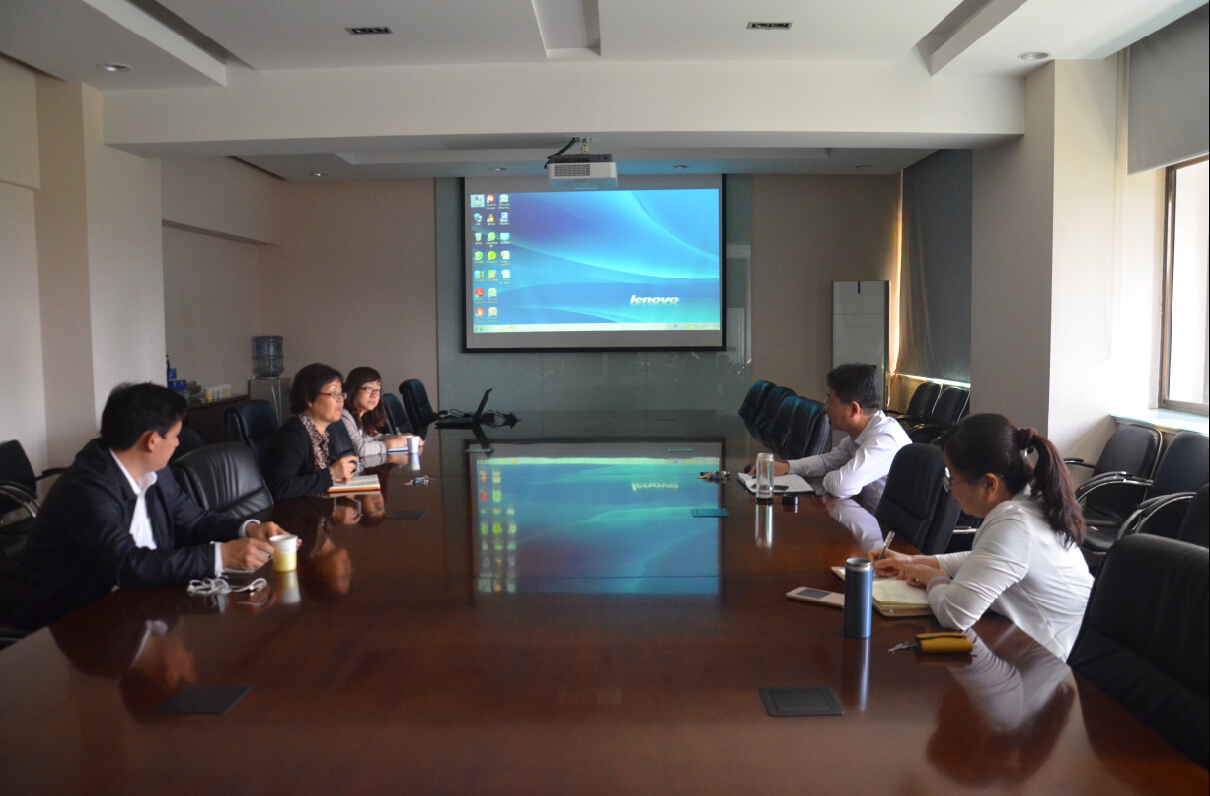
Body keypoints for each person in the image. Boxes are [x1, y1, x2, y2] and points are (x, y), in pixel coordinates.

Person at [9, 383, 284, 631]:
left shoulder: (156, 470)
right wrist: (220, 556)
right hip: (68, 621)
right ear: (151, 441)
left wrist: (248, 529)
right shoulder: (86, 488)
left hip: (141, 602)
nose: (178, 443)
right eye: (175, 436)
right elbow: (127, 564)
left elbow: (194, 520)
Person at [871, 414, 1094, 660]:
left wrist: (933, 577)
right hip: (1033, 645)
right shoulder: (1027, 501)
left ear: (989, 484)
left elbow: (954, 615)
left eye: (952, 477)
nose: (949, 488)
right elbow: (986, 558)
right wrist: (912, 561)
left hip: (1059, 662)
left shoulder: (1015, 525)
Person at [751, 363, 910, 511]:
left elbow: (840, 486)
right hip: (864, 517)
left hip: (886, 529)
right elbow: (827, 461)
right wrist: (787, 467)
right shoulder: (860, 434)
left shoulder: (884, 439)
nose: (826, 408)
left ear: (854, 409)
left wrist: (829, 476)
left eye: (830, 403)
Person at [261, 363, 359, 501]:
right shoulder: (294, 435)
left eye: (341, 393)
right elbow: (280, 487)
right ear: (310, 399)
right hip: (294, 511)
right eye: (333, 394)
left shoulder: (323, 433)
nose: (340, 399)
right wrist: (331, 474)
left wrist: (341, 473)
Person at [340, 366, 419, 460]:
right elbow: (360, 449)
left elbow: (375, 437)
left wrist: (400, 438)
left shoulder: (363, 415)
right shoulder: (343, 415)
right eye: (369, 388)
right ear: (353, 389)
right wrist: (390, 444)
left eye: (378, 390)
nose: (374, 395)